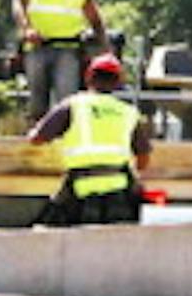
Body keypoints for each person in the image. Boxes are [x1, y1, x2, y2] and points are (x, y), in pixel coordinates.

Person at [27, 53, 152, 226]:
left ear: (88, 77)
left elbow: (37, 138)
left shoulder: (73, 105)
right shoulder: (128, 112)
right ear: (118, 82)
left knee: (51, 228)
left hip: (80, 189)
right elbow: (143, 158)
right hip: (118, 191)